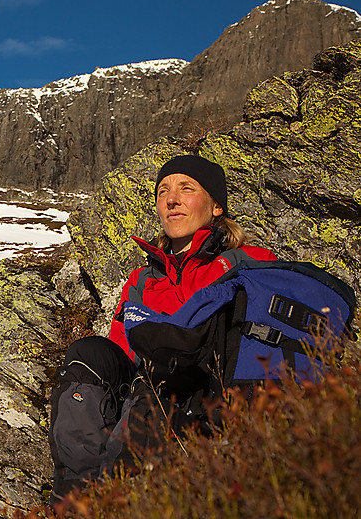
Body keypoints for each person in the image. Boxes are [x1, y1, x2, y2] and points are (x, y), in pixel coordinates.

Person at [49, 154, 277, 505]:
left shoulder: (247, 264)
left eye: (187, 188)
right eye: (163, 191)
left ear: (216, 206)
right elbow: (122, 350)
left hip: (208, 401)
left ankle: (119, 497)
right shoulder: (142, 280)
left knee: (160, 379)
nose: (172, 199)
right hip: (145, 399)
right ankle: (76, 501)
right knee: (89, 356)